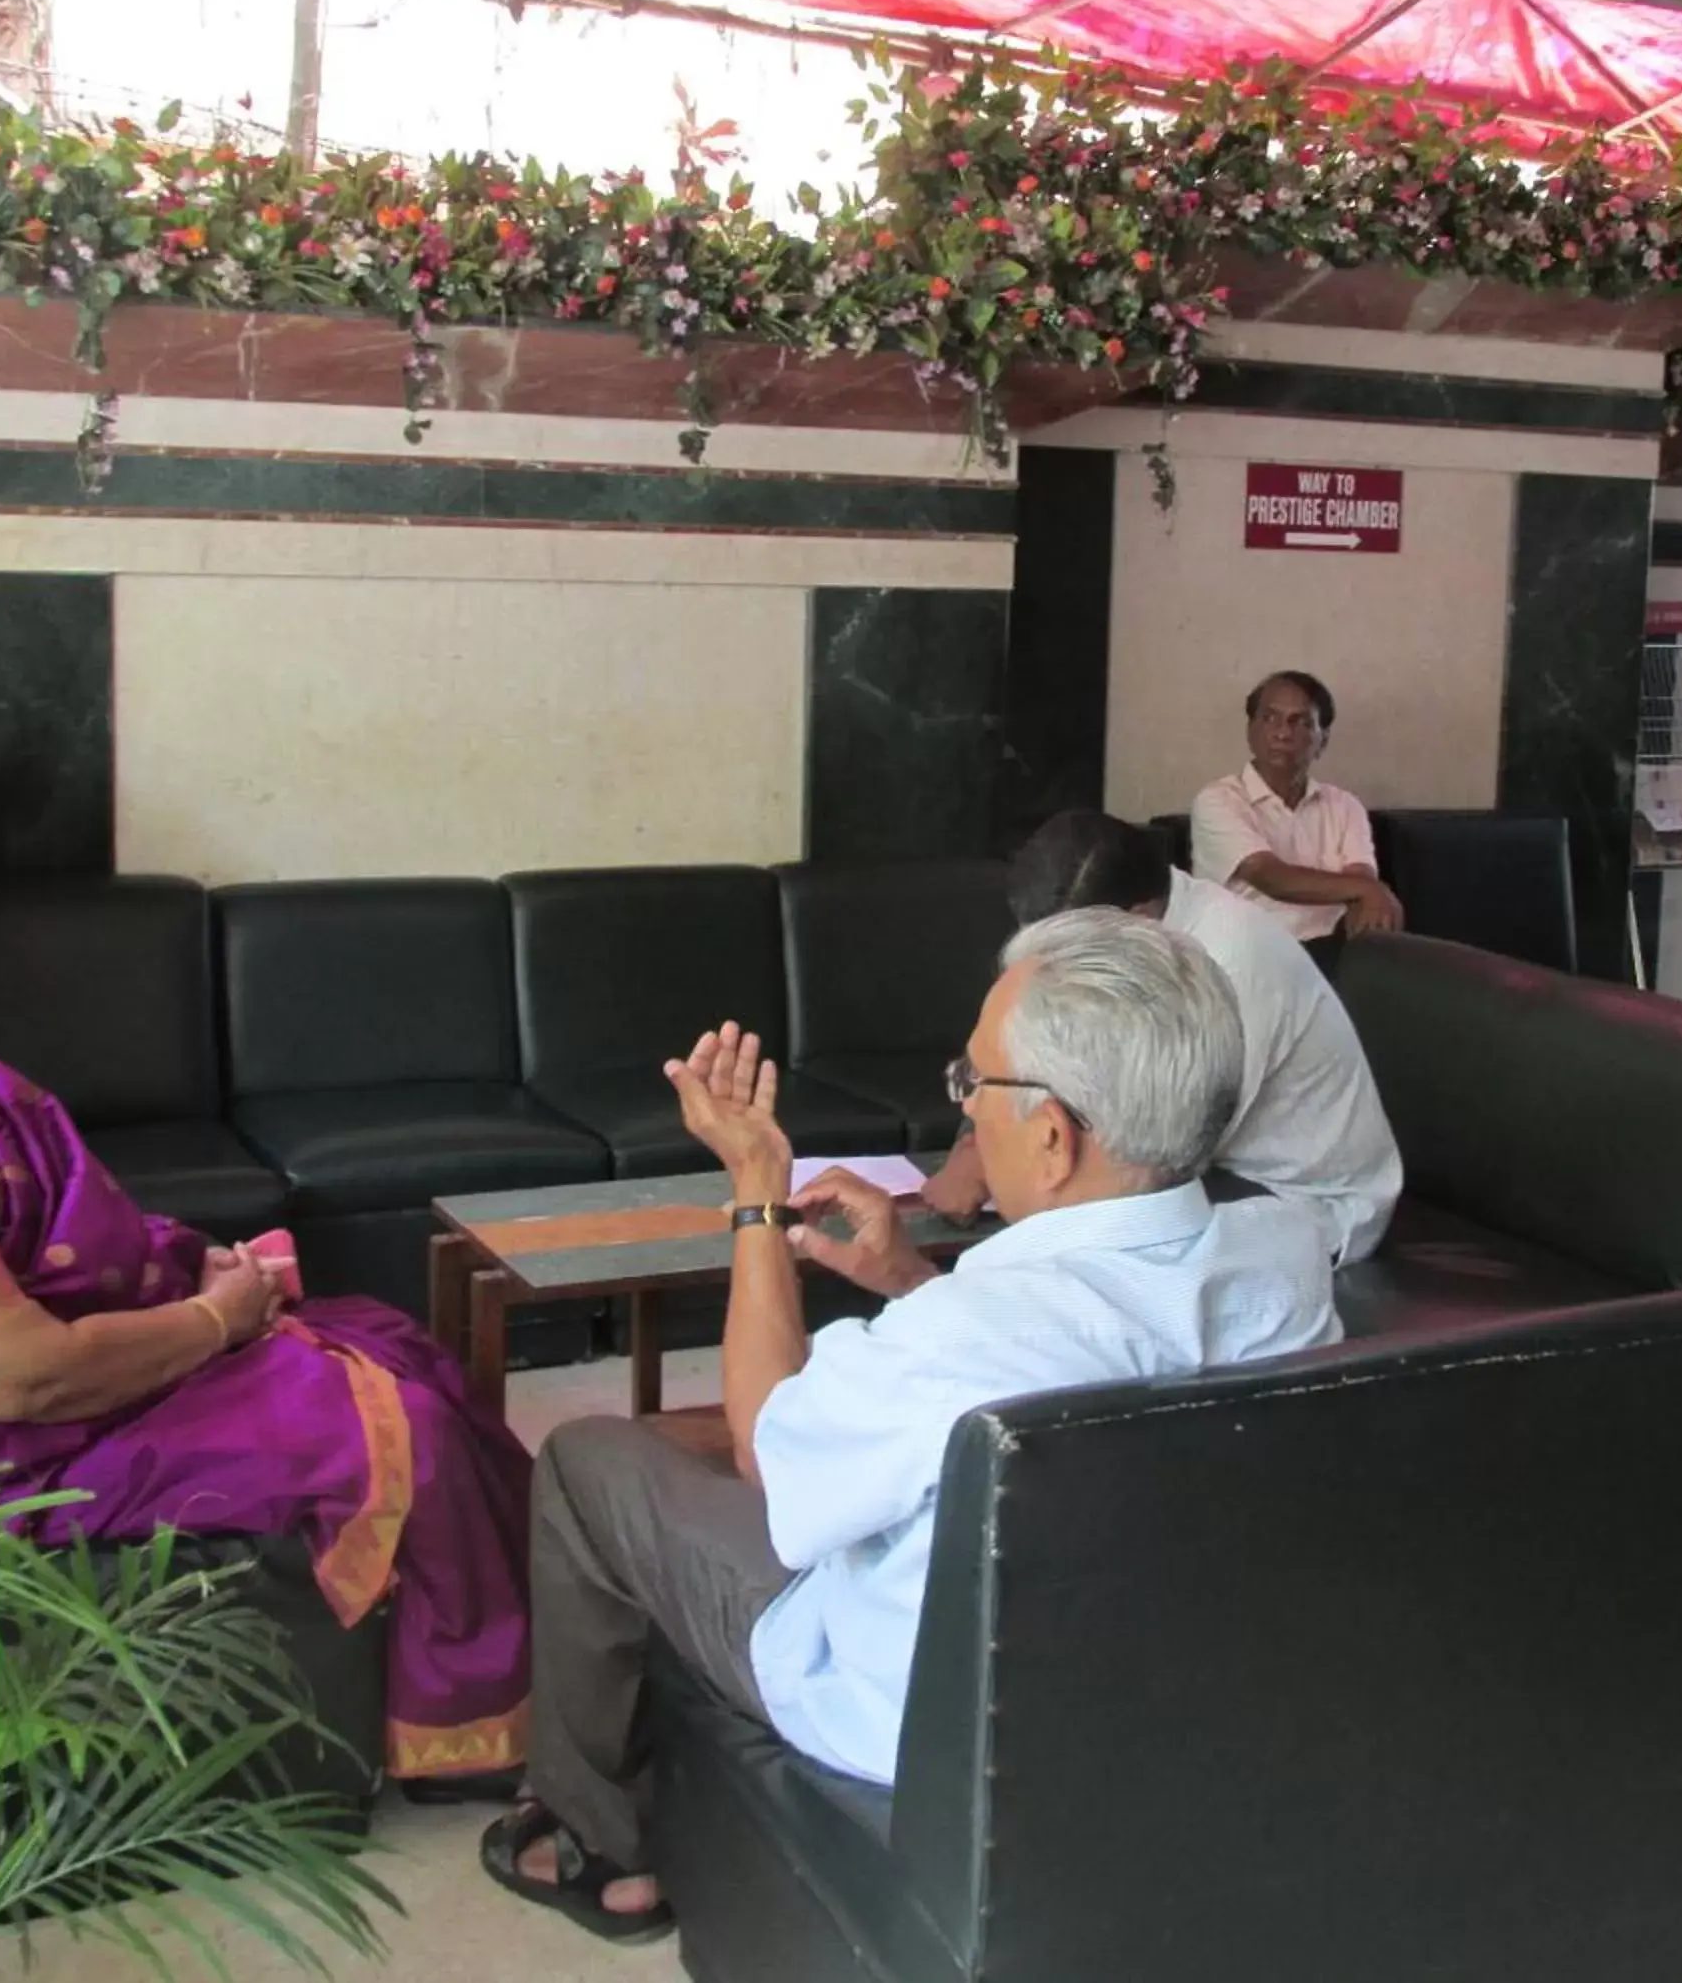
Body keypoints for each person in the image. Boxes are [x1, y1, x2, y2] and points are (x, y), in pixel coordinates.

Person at [479, 910, 1338, 1941]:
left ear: (1055, 1137)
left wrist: (757, 1197)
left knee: (588, 1459)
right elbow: (1073, 1345)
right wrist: (906, 1279)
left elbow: (770, 1453)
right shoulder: (1286, 1258)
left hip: (911, 1713)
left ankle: (603, 1851)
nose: (965, 1110)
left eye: (974, 1089)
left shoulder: (957, 1338)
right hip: (1157, 1686)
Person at [0, 895, 534, 1789]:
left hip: (108, 1370)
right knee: (399, 1429)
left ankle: (536, 1633)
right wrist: (215, 1321)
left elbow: (91, 1235)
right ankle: (459, 1738)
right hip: (22, 1453)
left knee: (399, 1344)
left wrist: (194, 1264)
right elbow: (21, 1382)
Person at [915, 810, 1401, 1265]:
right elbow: (1018, 1039)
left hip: (1291, 1196)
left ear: (1139, 916)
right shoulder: (1126, 935)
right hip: (1205, 1168)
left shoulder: (1225, 967)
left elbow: (1150, 1150)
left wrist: (993, 1169)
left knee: (1052, 1231)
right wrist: (975, 1145)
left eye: (1062, 946)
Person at [1190, 670, 1405, 946]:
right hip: (1251, 952)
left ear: (1322, 740)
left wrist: (1367, 893)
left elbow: (1360, 878)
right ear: (1250, 730)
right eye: (1269, 718)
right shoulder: (1218, 800)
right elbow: (1270, 877)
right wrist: (1370, 890)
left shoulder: (1344, 805)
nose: (1282, 733)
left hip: (1332, 947)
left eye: (1300, 722)